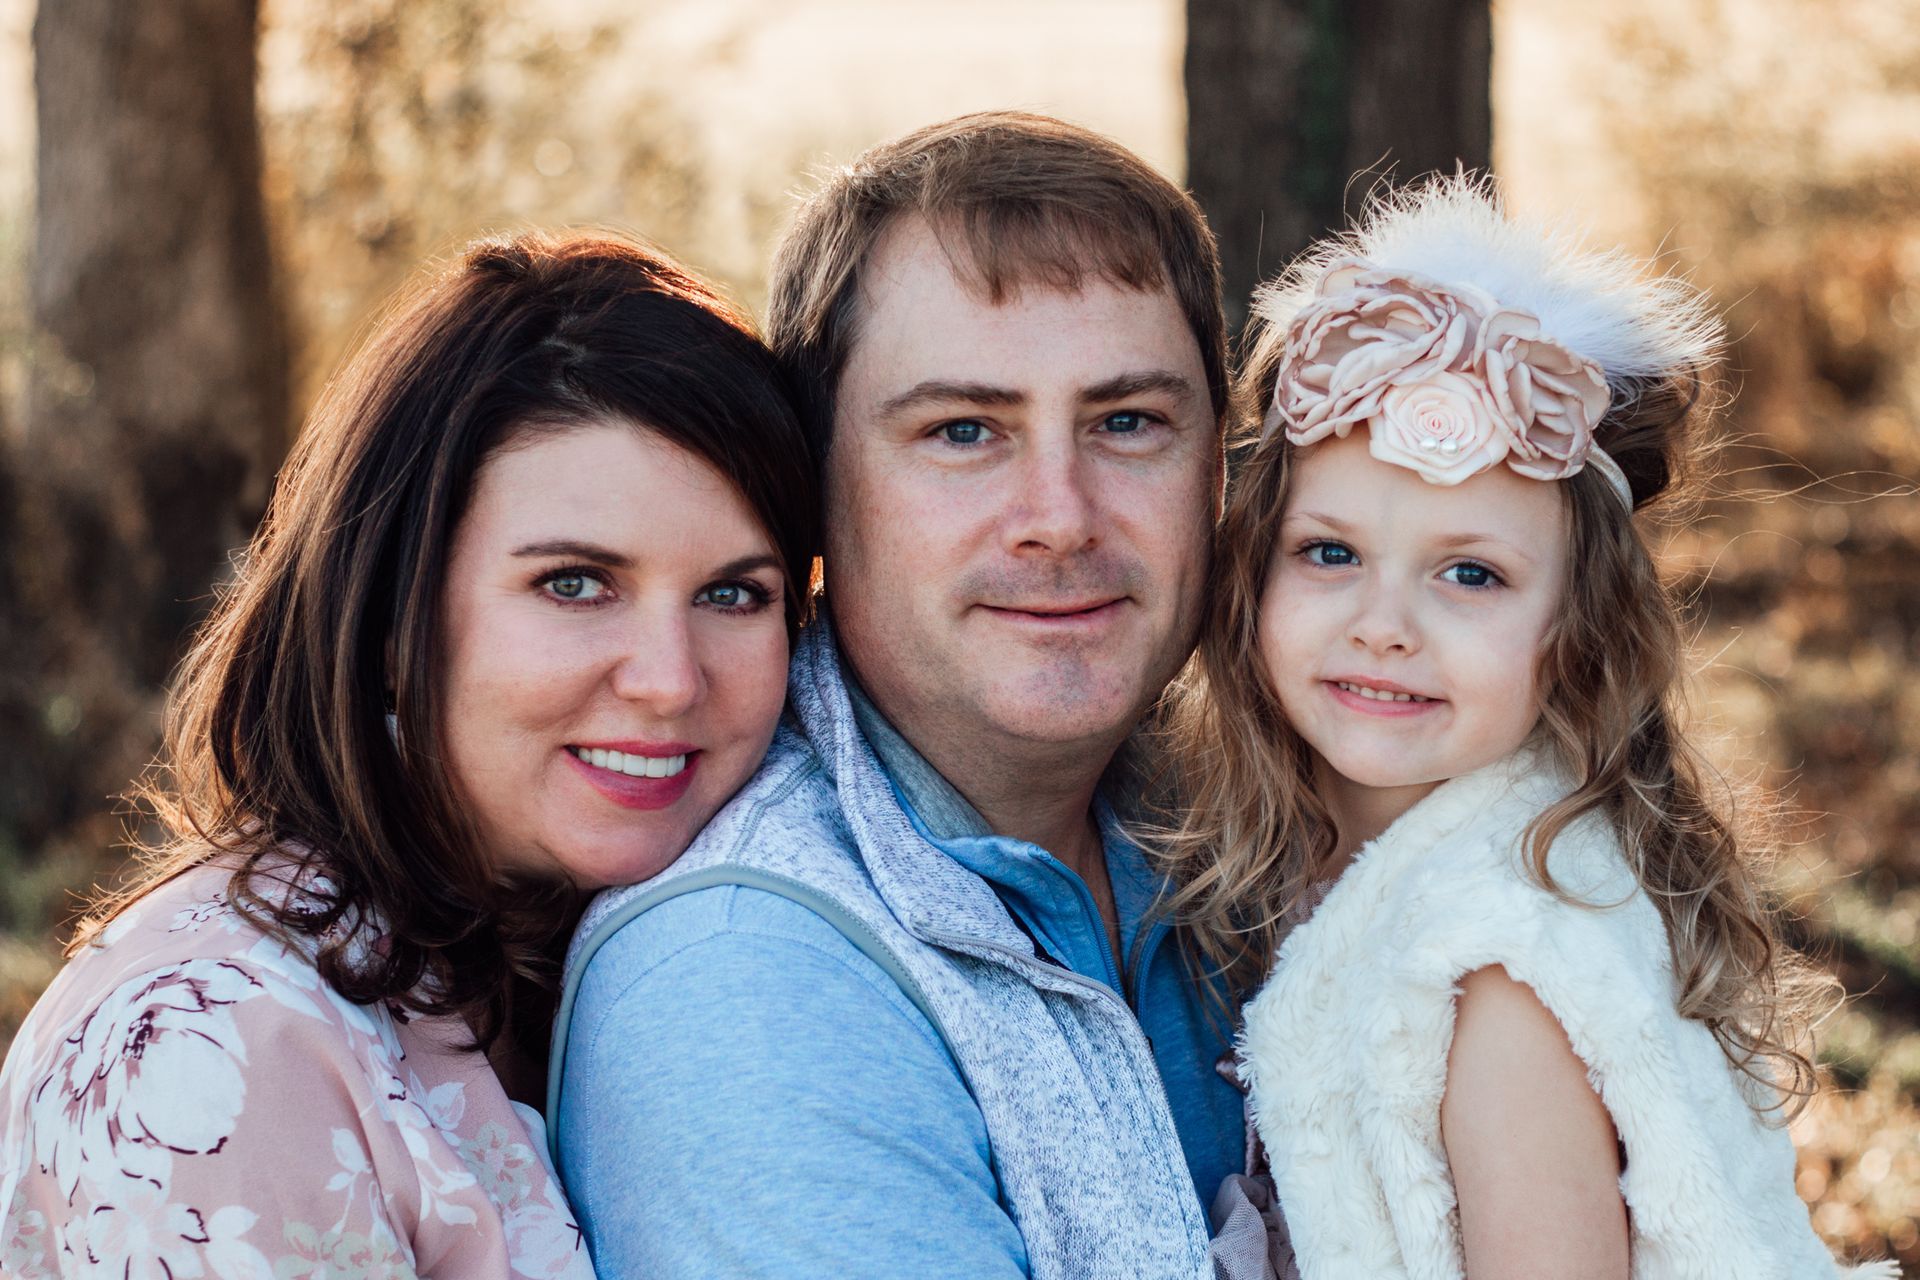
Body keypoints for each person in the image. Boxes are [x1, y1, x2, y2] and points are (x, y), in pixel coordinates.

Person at [0, 232, 817, 1280]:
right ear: (390, 612)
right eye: (575, 583)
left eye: (733, 593)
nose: (670, 678)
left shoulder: (660, 963)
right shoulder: (225, 1052)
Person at [1153, 177, 1898, 1278]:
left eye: (1470, 572)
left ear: (1578, 629)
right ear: (1252, 569)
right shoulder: (1344, 864)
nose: (1384, 625)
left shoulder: (1500, 978)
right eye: (1331, 552)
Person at [551, 112, 1245, 1278]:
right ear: (816, 494)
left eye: (1129, 422)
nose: (1060, 516)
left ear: (1220, 467)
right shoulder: (747, 979)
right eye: (964, 430)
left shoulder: (1261, 825)